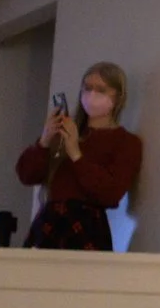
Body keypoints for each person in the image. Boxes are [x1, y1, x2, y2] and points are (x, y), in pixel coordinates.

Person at [16, 61, 142, 252]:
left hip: (87, 228)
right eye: (87, 88)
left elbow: (111, 193)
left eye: (100, 89)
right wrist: (44, 141)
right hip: (49, 225)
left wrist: (76, 154)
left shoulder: (126, 142)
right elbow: (26, 175)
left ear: (118, 97)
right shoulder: (64, 132)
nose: (91, 94)